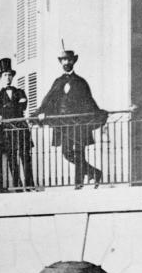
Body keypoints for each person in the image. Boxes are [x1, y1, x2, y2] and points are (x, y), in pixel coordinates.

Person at [36, 49, 108, 189]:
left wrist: (97, 114)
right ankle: (95, 172)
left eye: (69, 60)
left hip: (78, 123)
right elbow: (49, 100)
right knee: (67, 153)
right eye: (64, 60)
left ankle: (78, 184)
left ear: (73, 62)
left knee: (79, 153)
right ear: (61, 63)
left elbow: (89, 101)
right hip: (64, 124)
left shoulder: (81, 82)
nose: (66, 62)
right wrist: (40, 113)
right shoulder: (58, 82)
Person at [0, 59, 36, 191]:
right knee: (12, 159)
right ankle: (17, 186)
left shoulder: (20, 91)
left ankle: (29, 185)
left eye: (10, 75)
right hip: (8, 130)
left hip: (22, 128)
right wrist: (15, 105)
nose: (8, 78)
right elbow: (1, 110)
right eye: (5, 75)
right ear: (1, 77)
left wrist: (11, 106)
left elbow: (23, 106)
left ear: (12, 77)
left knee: (25, 157)